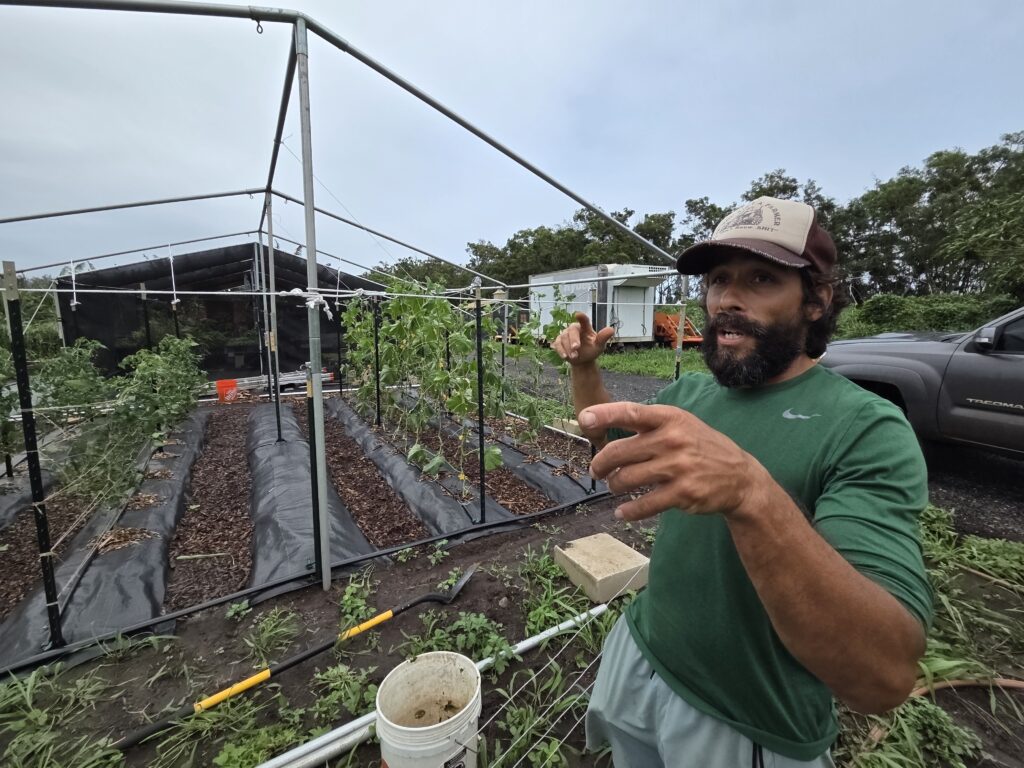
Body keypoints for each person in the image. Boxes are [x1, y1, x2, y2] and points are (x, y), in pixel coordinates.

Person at [552, 196, 933, 767]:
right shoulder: (694, 396)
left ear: (816, 300)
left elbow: (881, 677)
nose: (727, 298)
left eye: (761, 279)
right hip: (643, 649)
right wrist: (585, 370)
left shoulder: (866, 427)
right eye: (718, 279)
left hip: (743, 716)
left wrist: (750, 492)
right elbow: (611, 449)